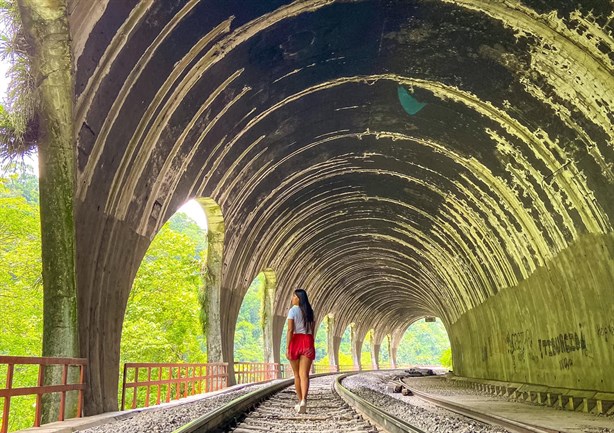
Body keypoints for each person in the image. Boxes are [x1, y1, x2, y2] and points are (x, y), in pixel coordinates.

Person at [286, 288, 315, 413]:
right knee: (305, 375)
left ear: (298, 298)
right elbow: (312, 331)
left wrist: (287, 347)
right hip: (307, 340)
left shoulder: (293, 311)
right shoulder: (310, 311)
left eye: (293, 296)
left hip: (296, 340)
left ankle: (299, 401)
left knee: (297, 375)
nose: (292, 299)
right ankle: (304, 400)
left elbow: (290, 330)